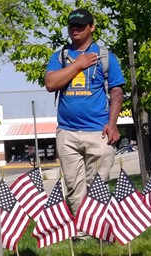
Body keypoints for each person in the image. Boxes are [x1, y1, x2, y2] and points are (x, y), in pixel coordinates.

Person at [45, 8, 125, 222]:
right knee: (73, 186)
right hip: (67, 132)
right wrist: (78, 64)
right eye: (72, 25)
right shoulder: (60, 56)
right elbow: (51, 83)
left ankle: (99, 229)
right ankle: (82, 230)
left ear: (92, 27)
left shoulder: (106, 56)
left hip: (98, 131)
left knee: (96, 186)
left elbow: (117, 90)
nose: (75, 29)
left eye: (81, 25)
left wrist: (112, 123)